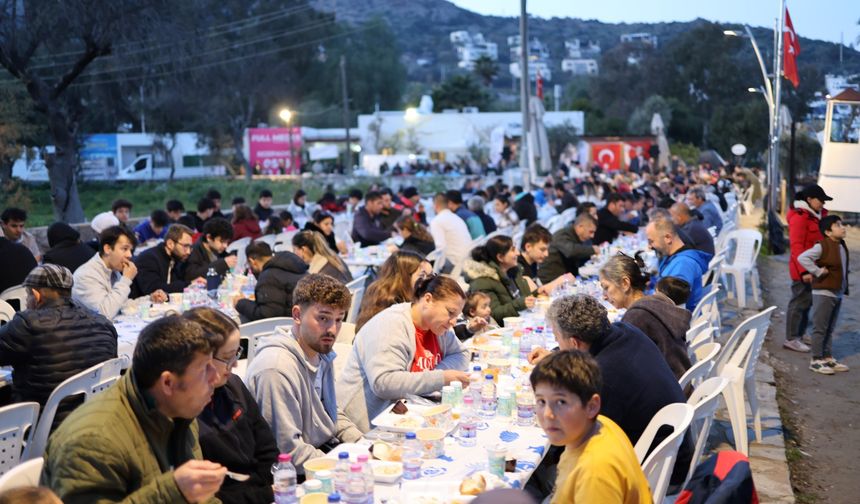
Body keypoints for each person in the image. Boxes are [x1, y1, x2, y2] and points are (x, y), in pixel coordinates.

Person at [41, 315, 227, 503]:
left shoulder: (178, 410)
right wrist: (173, 492)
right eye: (204, 369)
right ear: (168, 383)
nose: (216, 377)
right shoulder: (93, 441)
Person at [528, 295, 691, 493]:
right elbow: (583, 352)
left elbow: (576, 441)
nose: (556, 343)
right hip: (674, 452)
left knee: (535, 470)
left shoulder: (603, 378)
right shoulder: (625, 331)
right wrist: (556, 354)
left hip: (655, 472)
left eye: (557, 338)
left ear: (574, 343)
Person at [247, 275, 362, 471]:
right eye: (323, 318)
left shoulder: (320, 350)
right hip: (292, 476)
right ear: (297, 315)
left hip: (321, 455)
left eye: (339, 319)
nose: (332, 330)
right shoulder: (275, 369)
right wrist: (346, 466)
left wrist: (362, 444)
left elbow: (330, 412)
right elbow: (287, 453)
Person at [337, 275, 471, 433]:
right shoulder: (390, 325)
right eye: (450, 313)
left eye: (457, 316)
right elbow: (384, 383)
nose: (453, 322)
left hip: (408, 417)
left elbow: (462, 354)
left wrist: (433, 376)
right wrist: (440, 378)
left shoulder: (437, 327)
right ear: (428, 300)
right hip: (367, 429)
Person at [0, 264, 118, 426]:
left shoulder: (28, 324)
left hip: (42, 428)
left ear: (36, 295)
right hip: (94, 421)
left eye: (28, 296)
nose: (27, 303)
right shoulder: (103, 324)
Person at [183, 307, 279, 503]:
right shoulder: (184, 412)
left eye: (237, 354)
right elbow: (208, 495)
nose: (235, 364)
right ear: (201, 360)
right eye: (227, 358)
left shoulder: (233, 385)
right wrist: (264, 494)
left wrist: (272, 488)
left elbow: (267, 449)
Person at [531, 351, 651, 504]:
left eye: (561, 402)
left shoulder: (595, 473)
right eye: (541, 401)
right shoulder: (601, 423)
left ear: (592, 406)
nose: (548, 414)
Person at [599, 254, 692, 379]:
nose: (604, 296)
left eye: (606, 288)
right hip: (679, 379)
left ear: (625, 283)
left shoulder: (636, 316)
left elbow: (622, 364)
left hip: (667, 391)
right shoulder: (656, 301)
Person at [797, 215, 851, 374]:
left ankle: (827, 357)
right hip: (824, 292)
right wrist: (818, 271)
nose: (843, 227)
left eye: (842, 224)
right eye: (837, 225)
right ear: (827, 232)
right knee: (820, 327)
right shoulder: (822, 246)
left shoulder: (841, 245)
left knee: (830, 327)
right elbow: (803, 258)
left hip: (837, 293)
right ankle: (816, 360)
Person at [785, 184, 831, 353]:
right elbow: (796, 247)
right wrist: (804, 271)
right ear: (809, 200)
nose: (823, 204)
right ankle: (791, 338)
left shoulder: (817, 215)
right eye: (821, 201)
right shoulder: (800, 217)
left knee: (807, 302)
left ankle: (800, 333)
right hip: (801, 269)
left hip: (815, 267)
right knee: (798, 302)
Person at [73, 225, 142, 319]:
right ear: (108, 249)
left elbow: (121, 304)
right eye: (125, 249)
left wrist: (150, 299)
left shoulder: (112, 270)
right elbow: (104, 313)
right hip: (90, 331)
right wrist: (126, 280)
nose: (129, 255)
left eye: (130, 250)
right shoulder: (86, 275)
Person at [464, 235, 536, 324]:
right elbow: (493, 314)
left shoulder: (514, 271)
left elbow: (524, 299)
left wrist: (537, 293)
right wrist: (520, 304)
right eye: (513, 250)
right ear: (500, 257)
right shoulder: (483, 281)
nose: (518, 253)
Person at [355, 251, 433, 331]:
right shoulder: (391, 308)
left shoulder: (411, 298)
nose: (429, 282)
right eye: (422, 276)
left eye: (430, 276)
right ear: (404, 278)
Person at [646, 217, 711, 311]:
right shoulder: (672, 257)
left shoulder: (683, 265)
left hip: (676, 318)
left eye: (651, 241)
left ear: (668, 238)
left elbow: (669, 305)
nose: (649, 246)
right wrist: (651, 284)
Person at [235, 242, 308, 322]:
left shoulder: (268, 277)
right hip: (303, 319)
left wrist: (240, 303)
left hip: (287, 328)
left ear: (252, 261)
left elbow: (266, 316)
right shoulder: (292, 264)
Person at [131, 224, 196, 299]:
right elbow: (154, 290)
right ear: (170, 244)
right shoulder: (148, 258)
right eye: (185, 246)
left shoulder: (177, 258)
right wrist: (189, 285)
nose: (188, 252)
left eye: (190, 247)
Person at [539, 214, 598, 283]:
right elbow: (570, 251)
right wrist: (592, 250)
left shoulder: (576, 237)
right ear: (580, 227)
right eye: (591, 232)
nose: (592, 236)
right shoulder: (562, 234)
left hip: (565, 277)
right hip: (551, 279)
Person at [429, 192, 472, 265]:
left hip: (455, 264)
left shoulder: (437, 221)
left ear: (435, 205)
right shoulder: (457, 218)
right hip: (467, 260)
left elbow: (440, 248)